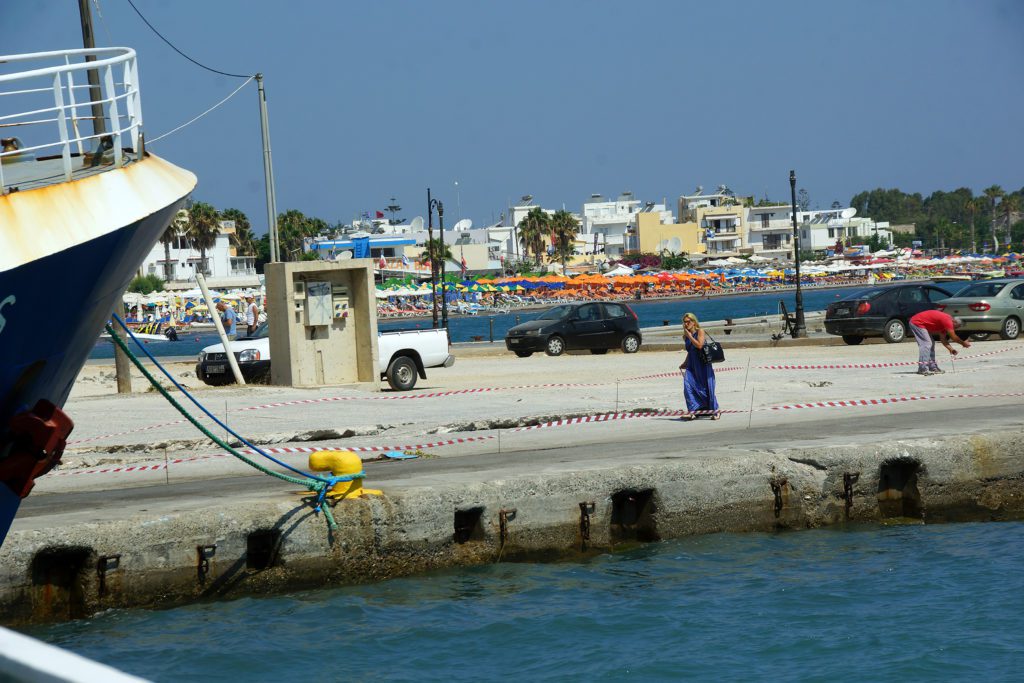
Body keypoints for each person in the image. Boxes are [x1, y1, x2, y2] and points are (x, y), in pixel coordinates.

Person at [678, 312, 720, 420]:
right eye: (685, 322)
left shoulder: (699, 331)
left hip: (702, 364)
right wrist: (685, 363)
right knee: (688, 386)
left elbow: (699, 345)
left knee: (706, 388)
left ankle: (715, 410)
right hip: (692, 365)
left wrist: (690, 336)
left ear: (694, 322)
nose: (686, 324)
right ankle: (692, 411)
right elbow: (690, 351)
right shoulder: (686, 336)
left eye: (688, 321)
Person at [908, 309, 970, 375]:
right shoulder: (947, 321)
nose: (955, 329)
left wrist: (951, 349)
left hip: (922, 324)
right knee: (926, 344)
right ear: (954, 322)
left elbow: (943, 340)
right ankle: (922, 369)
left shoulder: (944, 325)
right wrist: (963, 343)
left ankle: (933, 367)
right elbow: (953, 337)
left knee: (931, 344)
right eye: (957, 327)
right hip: (917, 322)